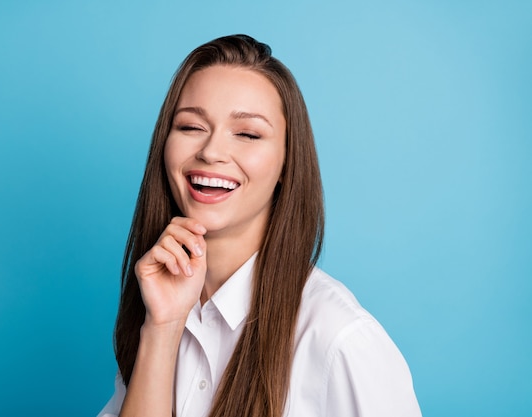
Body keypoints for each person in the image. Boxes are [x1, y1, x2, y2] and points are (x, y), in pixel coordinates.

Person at [98, 34, 421, 417]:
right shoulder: (159, 311)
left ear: (287, 164)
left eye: (248, 134)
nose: (211, 152)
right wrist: (161, 330)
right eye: (190, 127)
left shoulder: (340, 340)